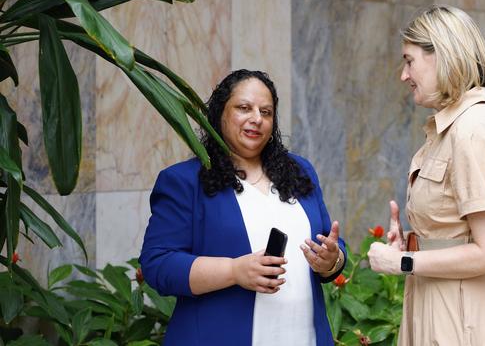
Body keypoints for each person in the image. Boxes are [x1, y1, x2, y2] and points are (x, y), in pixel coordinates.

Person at [139, 69, 346, 346]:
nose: (256, 119)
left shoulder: (299, 171)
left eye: (266, 112)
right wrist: (234, 271)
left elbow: (330, 245)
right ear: (219, 114)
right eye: (244, 108)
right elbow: (158, 265)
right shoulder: (184, 181)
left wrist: (332, 260)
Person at [367, 5, 485, 345]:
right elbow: (457, 229)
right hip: (443, 305)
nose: (403, 75)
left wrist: (403, 262)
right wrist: (414, 241)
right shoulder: (452, 129)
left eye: (409, 60)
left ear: (442, 55)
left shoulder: (473, 130)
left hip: (466, 319)